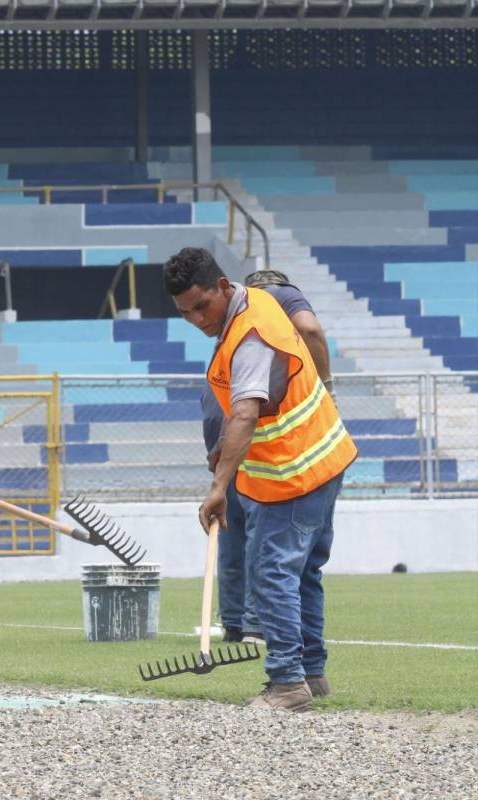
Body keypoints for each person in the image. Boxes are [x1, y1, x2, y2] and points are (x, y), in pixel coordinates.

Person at [164, 248, 357, 712]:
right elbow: (255, 406)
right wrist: (222, 451)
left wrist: (218, 488)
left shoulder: (248, 337)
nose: (195, 319)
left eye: (201, 306)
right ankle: (312, 672)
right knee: (303, 574)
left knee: (272, 575)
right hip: (326, 457)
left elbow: (247, 411)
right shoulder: (260, 301)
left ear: (223, 287)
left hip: (292, 472)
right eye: (184, 312)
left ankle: (287, 683)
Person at [203, 269, 333, 645]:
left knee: (272, 565)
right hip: (250, 460)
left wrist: (327, 387)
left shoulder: (270, 305)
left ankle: (283, 670)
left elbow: (309, 330)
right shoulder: (236, 332)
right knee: (250, 550)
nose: (197, 320)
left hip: (287, 462)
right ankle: (244, 630)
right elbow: (239, 407)